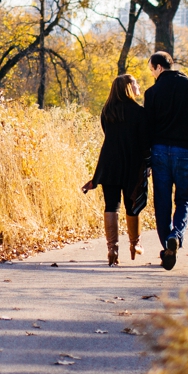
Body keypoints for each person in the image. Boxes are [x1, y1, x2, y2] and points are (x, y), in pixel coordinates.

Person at [142, 50, 188, 270]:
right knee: (185, 199)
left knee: (162, 202)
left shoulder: (151, 93)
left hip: (159, 151)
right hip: (186, 151)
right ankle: (176, 235)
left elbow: (148, 128)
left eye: (151, 69)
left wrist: (147, 159)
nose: (152, 74)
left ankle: (168, 246)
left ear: (159, 67)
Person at [81, 74, 149, 266]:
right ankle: (135, 244)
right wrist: (148, 163)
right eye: (135, 83)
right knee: (132, 205)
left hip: (109, 163)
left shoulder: (107, 111)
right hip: (132, 164)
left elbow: (107, 135)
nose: (138, 86)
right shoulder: (139, 112)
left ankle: (112, 249)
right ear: (128, 87)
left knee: (111, 205)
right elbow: (144, 142)